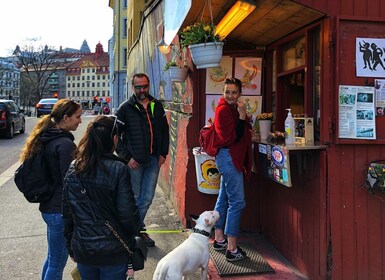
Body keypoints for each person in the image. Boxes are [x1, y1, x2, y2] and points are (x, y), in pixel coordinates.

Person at [62, 116, 142, 280]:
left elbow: (68, 214)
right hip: (113, 251)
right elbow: (128, 214)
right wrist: (134, 238)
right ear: (114, 139)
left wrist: (71, 247)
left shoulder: (73, 168)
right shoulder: (119, 169)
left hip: (84, 249)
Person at [19, 99, 82, 279]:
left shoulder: (48, 137)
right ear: (66, 117)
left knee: (52, 259)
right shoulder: (65, 144)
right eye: (77, 116)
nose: (80, 121)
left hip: (49, 208)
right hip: (59, 211)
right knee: (56, 263)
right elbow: (70, 182)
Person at [115, 73, 169, 247]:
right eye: (138, 87)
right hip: (134, 162)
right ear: (133, 88)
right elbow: (115, 136)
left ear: (148, 85)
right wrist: (126, 157)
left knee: (147, 198)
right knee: (136, 197)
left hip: (154, 159)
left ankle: (133, 230)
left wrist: (163, 153)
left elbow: (164, 131)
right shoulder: (125, 108)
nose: (142, 90)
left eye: (144, 86)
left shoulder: (157, 106)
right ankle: (135, 232)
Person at [211, 78, 252, 262]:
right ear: (223, 92)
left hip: (227, 158)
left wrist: (242, 115)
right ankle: (232, 248)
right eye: (227, 92)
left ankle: (219, 239)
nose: (230, 96)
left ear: (239, 93)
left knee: (224, 197)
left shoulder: (231, 109)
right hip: (229, 158)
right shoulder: (223, 111)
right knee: (237, 202)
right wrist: (242, 116)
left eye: (234, 92)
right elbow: (232, 138)